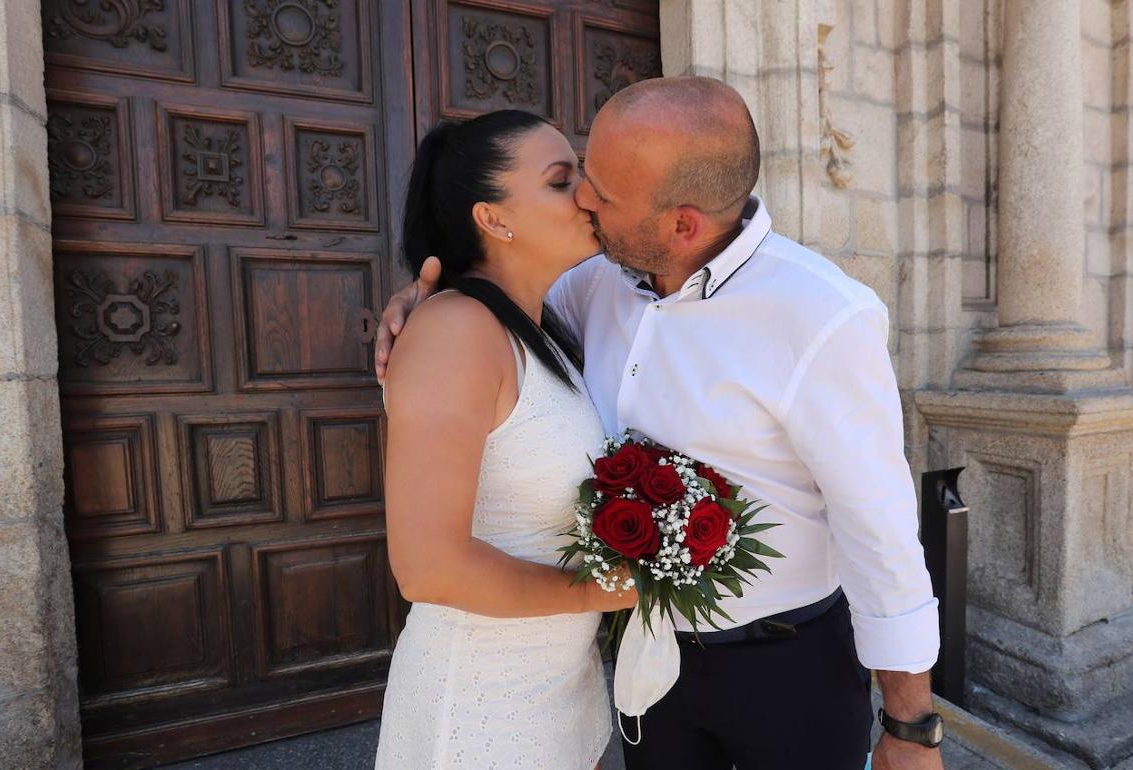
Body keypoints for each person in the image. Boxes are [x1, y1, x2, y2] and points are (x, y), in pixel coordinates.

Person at [378, 77, 946, 770]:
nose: (586, 197)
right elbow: (482, 306)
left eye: (600, 191)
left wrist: (911, 726)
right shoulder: (587, 286)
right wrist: (422, 302)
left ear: (681, 224)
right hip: (642, 666)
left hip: (787, 665)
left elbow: (879, 531)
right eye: (574, 177)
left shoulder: (822, 315)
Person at [374, 109, 636, 770]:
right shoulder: (455, 331)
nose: (585, 194)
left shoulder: (544, 327)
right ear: (492, 218)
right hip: (480, 708)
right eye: (559, 180)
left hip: (562, 696)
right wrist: (609, 590)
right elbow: (427, 568)